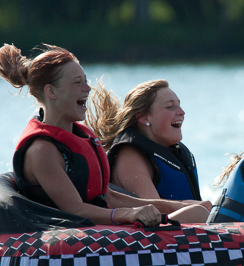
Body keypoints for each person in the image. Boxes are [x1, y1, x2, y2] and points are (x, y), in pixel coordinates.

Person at [0, 43, 207, 226]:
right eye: (78, 83)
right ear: (51, 92)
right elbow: (75, 210)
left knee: (199, 210)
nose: (88, 88)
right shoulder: (42, 151)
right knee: (198, 215)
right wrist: (128, 215)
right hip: (68, 244)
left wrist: (176, 206)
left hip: (102, 227)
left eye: (86, 80)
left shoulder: (83, 136)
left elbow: (108, 196)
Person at [85, 79, 212, 215]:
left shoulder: (177, 151)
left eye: (179, 105)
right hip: (152, 231)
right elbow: (154, 211)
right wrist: (198, 208)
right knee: (200, 212)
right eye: (170, 107)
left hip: (184, 229)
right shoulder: (130, 155)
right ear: (145, 118)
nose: (182, 112)